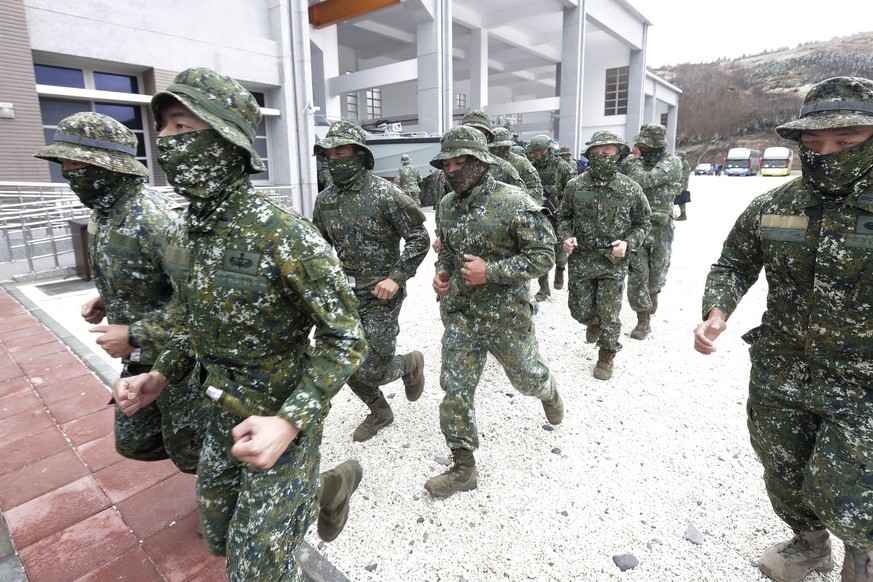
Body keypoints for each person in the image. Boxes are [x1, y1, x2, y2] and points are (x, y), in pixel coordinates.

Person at [113, 67, 367, 581]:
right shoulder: (187, 232)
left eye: (182, 129)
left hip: (280, 419)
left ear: (225, 141)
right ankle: (326, 489)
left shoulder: (283, 235)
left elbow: (346, 337)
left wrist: (289, 420)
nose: (164, 142)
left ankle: (305, 490)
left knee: (258, 571)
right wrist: (160, 374)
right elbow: (191, 319)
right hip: (219, 413)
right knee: (219, 535)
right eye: (161, 129)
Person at [694, 76, 873, 582]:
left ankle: (861, 557)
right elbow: (732, 263)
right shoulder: (775, 205)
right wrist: (717, 311)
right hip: (783, 367)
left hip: (864, 379)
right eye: (813, 143)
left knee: (849, 489)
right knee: (783, 468)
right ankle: (809, 546)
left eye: (846, 141)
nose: (827, 152)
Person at [34, 112, 206, 474]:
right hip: (138, 359)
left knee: (194, 448)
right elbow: (135, 269)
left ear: (105, 167)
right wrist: (107, 297)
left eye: (75, 163)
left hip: (178, 360)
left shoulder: (155, 219)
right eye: (62, 162)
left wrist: (134, 333)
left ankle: (233, 505)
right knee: (139, 441)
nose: (66, 172)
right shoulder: (105, 213)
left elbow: (200, 300)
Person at [426, 125, 564, 498]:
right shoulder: (446, 206)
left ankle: (548, 391)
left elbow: (544, 256)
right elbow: (449, 253)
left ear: (481, 162)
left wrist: (493, 271)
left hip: (505, 316)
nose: (452, 171)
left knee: (525, 377)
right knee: (455, 388)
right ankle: (463, 466)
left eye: (461, 162)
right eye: (447, 164)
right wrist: (442, 273)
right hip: (460, 313)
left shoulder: (515, 202)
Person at [312, 121, 429, 443]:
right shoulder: (324, 201)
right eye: (329, 153)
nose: (334, 159)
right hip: (344, 292)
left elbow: (419, 237)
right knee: (344, 360)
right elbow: (319, 248)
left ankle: (408, 364)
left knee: (372, 367)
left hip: (381, 292)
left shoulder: (387, 194)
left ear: (360, 155)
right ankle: (379, 411)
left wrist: (396, 277)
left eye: (342, 151)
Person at [557, 131, 651, 380]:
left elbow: (643, 222)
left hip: (613, 261)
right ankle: (593, 320)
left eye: (607, 154)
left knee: (610, 313)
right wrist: (566, 236)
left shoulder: (630, 188)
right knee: (580, 311)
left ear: (618, 155)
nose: (601, 158)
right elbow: (564, 216)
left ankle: (606, 357)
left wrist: (629, 244)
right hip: (582, 259)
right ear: (588, 156)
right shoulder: (575, 186)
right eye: (596, 154)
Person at [622, 123, 682, 340]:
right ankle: (643, 321)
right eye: (638, 143)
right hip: (637, 226)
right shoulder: (636, 162)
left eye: (643, 144)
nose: (638, 146)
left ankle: (653, 296)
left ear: (655, 145)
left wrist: (634, 162)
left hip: (660, 229)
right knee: (638, 275)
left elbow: (643, 180)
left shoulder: (671, 162)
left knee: (656, 275)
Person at [525, 134, 577, 300]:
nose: (538, 156)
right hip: (540, 215)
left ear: (550, 150)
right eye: (535, 153)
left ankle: (560, 269)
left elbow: (573, 191)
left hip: (559, 215)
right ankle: (543, 287)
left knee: (560, 248)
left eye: (542, 152)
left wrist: (563, 209)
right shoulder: (531, 169)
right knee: (541, 250)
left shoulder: (563, 167)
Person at [489, 126, 543, 200]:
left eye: (504, 146)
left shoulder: (521, 162)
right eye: (497, 147)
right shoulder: (481, 162)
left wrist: (515, 197)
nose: (501, 149)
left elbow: (537, 190)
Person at [674, 151, 692, 221]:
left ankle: (683, 214)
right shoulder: (680, 162)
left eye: (679, 155)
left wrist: (680, 181)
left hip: (682, 185)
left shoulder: (684, 163)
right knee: (679, 200)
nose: (678, 156)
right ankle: (682, 214)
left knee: (681, 200)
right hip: (680, 184)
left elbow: (685, 175)